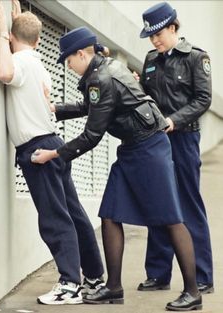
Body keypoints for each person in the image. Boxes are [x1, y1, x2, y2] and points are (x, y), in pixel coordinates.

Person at [32, 25, 203, 311]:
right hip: (133, 148)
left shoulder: (102, 78)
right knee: (110, 213)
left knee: (171, 218)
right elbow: (93, 107)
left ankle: (193, 292)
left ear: (81, 54)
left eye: (68, 60)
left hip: (149, 148)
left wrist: (53, 155)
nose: (68, 65)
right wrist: (56, 109)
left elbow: (92, 136)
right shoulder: (101, 70)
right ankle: (113, 287)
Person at [0, 0, 104, 305]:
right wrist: (17, 27)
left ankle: (70, 284)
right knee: (73, 213)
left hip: (38, 149)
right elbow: (23, 49)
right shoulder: (37, 62)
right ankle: (93, 275)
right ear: (38, 40)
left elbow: (5, 72)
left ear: (14, 39)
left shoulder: (22, 62)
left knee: (55, 219)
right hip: (53, 143)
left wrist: (3, 35)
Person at [136, 2, 214, 295]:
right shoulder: (150, 60)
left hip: (184, 139)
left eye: (158, 34)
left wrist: (174, 120)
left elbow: (203, 99)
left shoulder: (196, 57)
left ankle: (202, 276)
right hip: (156, 140)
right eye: (150, 36)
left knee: (188, 205)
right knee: (158, 203)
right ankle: (158, 274)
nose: (155, 40)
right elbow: (146, 96)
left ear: (173, 27)